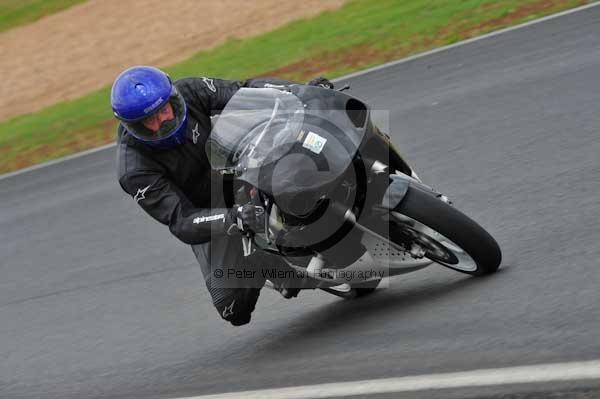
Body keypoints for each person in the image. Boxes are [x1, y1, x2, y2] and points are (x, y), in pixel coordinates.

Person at [112, 66, 333, 326]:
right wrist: (232, 218)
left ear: (173, 99)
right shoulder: (134, 169)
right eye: (149, 121)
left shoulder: (190, 90)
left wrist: (299, 91)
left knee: (294, 149)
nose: (162, 122)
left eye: (163, 110)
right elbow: (181, 221)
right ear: (134, 126)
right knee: (233, 309)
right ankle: (265, 263)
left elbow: (244, 90)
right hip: (208, 212)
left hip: (238, 167)